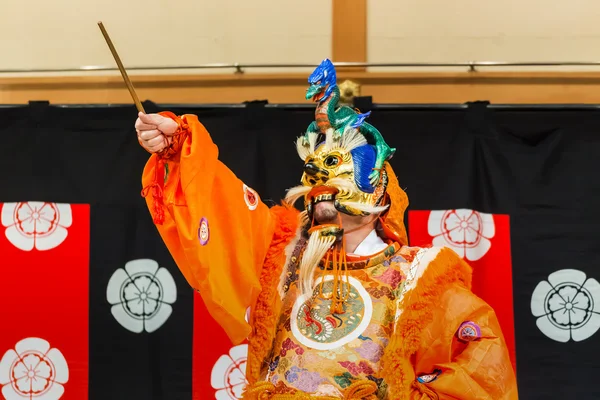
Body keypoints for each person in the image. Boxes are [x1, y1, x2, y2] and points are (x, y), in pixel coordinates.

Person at [135, 60, 518, 399]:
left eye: (338, 170)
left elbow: (480, 371)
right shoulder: (280, 256)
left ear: (378, 193)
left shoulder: (420, 279)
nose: (320, 182)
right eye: (316, 172)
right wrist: (178, 145)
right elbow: (224, 209)